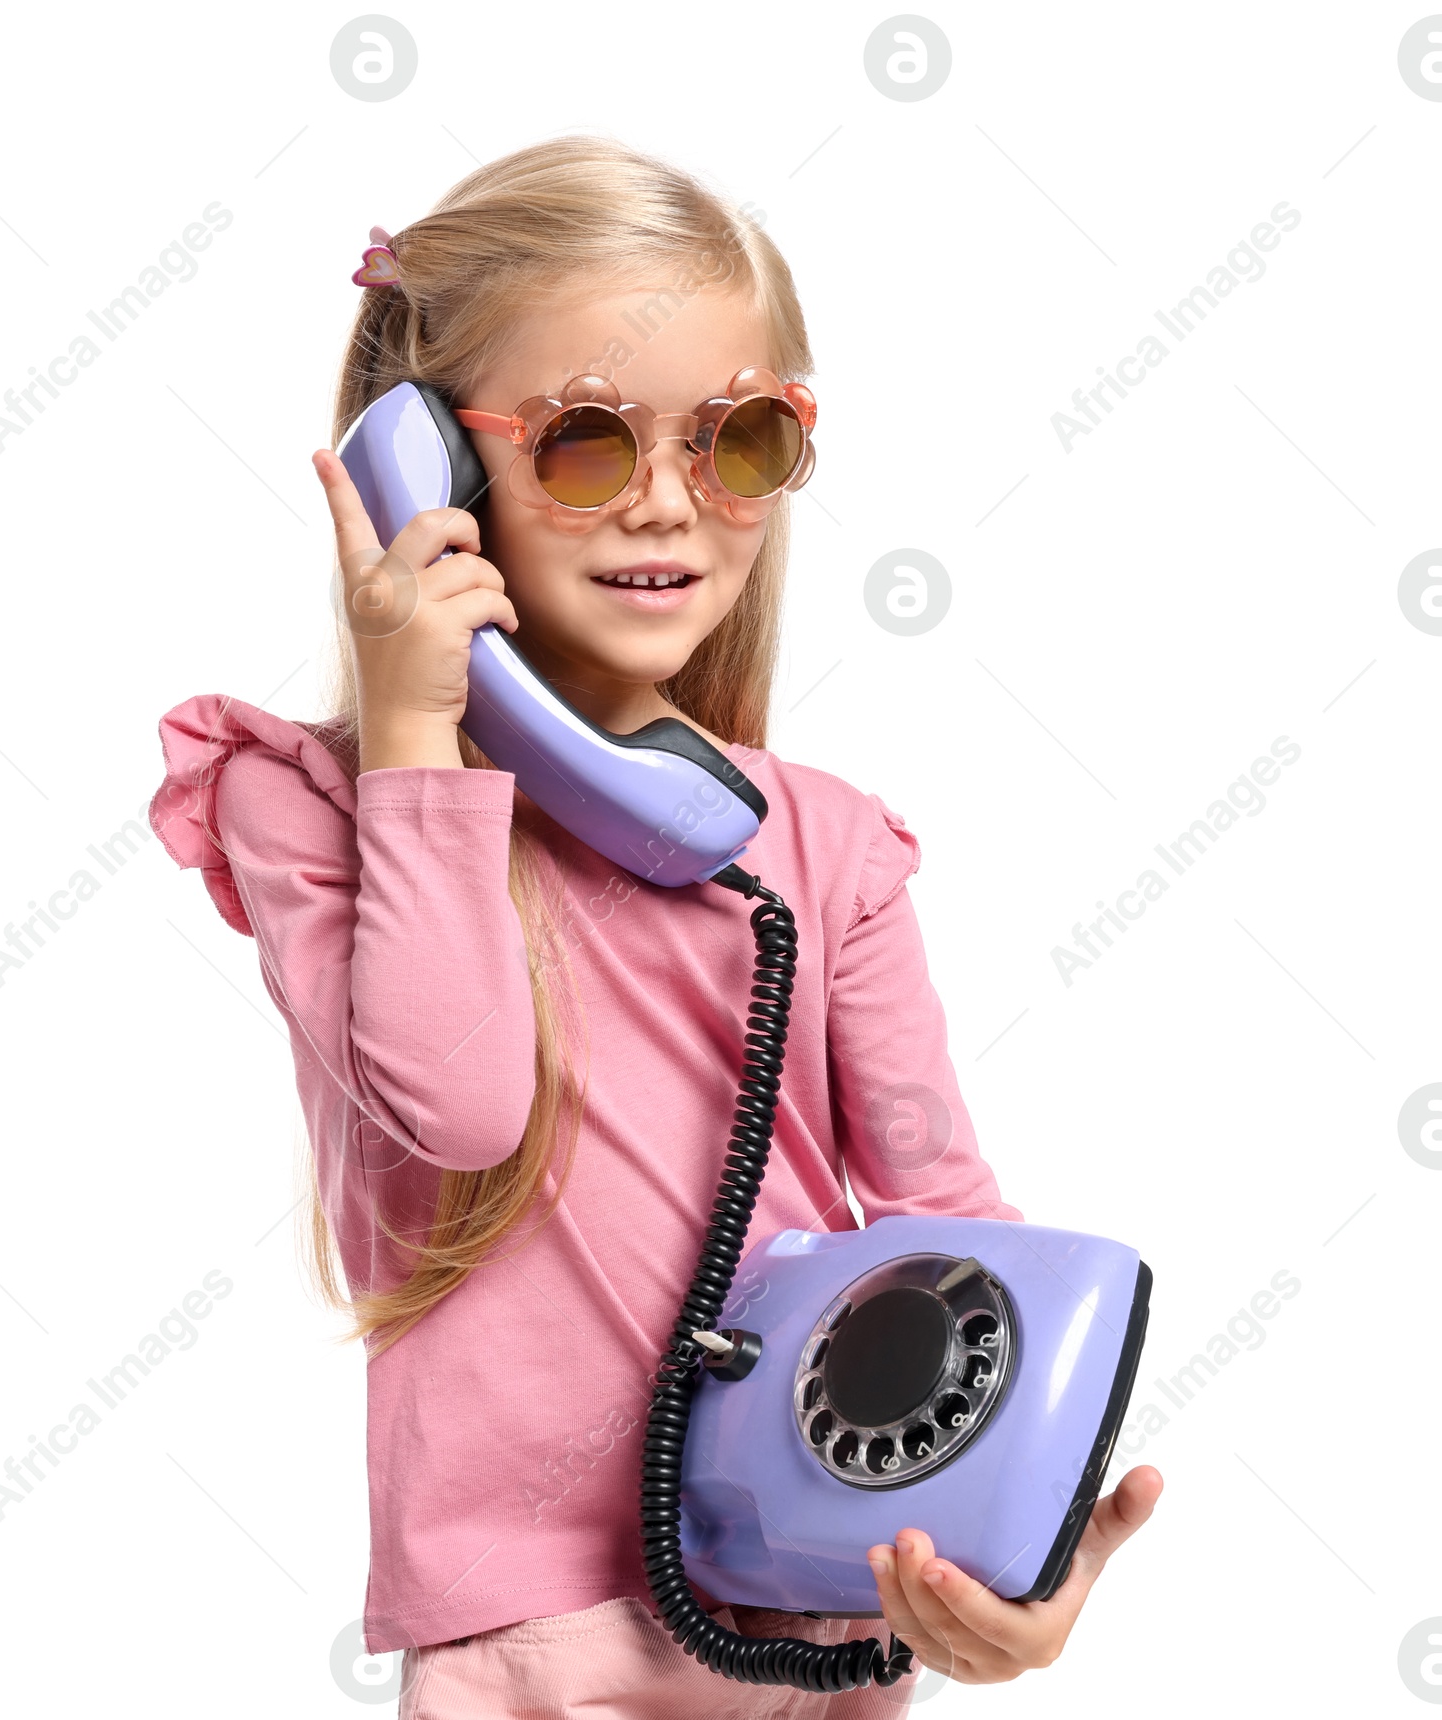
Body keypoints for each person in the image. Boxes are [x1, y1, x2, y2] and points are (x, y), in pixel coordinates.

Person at [149, 134, 1160, 1718]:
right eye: (588, 444)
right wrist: (422, 735)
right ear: (437, 472)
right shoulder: (314, 814)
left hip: (812, 1618)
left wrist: (1023, 1563)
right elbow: (461, 1099)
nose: (675, 503)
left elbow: (947, 1215)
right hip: (539, 1642)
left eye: (740, 441)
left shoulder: (820, 846)